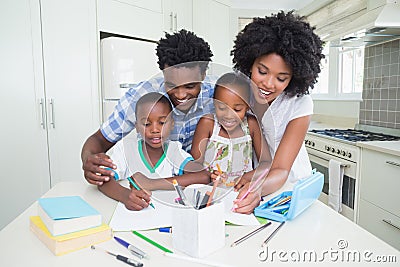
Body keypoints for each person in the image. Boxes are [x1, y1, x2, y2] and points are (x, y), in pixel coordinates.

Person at [81, 29, 214, 186]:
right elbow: (99, 139)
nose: (180, 95)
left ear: (204, 75)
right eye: (171, 85)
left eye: (190, 86)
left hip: (195, 186)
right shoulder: (141, 98)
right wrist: (89, 159)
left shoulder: (219, 94)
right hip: (147, 190)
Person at [231, 11, 324, 213]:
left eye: (281, 78)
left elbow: (282, 169)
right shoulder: (243, 94)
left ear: (295, 78)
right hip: (260, 179)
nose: (268, 84)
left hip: (292, 185)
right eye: (262, 72)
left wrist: (256, 189)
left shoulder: (300, 103)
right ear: (249, 63)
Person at [98, 92, 210, 210]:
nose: (155, 130)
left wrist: (151, 183)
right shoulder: (125, 149)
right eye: (146, 124)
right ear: (136, 127)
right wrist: (125, 196)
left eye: (162, 123)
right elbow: (103, 179)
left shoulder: (174, 150)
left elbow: (203, 176)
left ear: (172, 124)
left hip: (164, 216)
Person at [191, 72, 271, 187]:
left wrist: (247, 177)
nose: (229, 115)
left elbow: (266, 163)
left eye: (237, 109)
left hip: (240, 192)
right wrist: (209, 175)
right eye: (222, 108)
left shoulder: (251, 124)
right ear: (214, 103)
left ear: (248, 106)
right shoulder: (208, 124)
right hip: (209, 191)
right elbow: (194, 164)